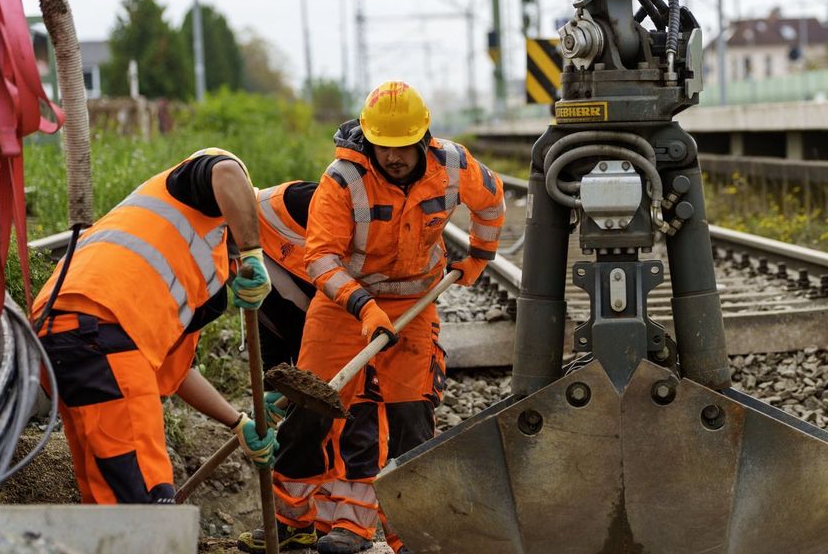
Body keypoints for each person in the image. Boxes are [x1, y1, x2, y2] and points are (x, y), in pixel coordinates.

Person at [237, 81, 506, 554]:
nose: (394, 157)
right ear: (369, 140)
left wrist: (480, 257)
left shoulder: (455, 166)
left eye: (403, 147)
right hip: (344, 306)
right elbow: (320, 258)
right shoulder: (342, 181)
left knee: (411, 421)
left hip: (415, 305)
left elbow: (492, 200)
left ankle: (415, 533)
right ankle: (292, 521)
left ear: (423, 139)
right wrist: (365, 309)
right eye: (385, 147)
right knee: (309, 414)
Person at [31, 148, 278, 504]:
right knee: (144, 500)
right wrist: (253, 250)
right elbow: (225, 170)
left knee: (109, 499)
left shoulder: (187, 270)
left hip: (61, 334)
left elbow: (177, 373)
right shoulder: (196, 199)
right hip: (103, 330)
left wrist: (237, 423)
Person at [253, 180, 318, 430]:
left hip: (363, 325)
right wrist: (273, 381)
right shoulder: (226, 251)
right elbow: (267, 317)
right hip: (313, 354)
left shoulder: (291, 202)